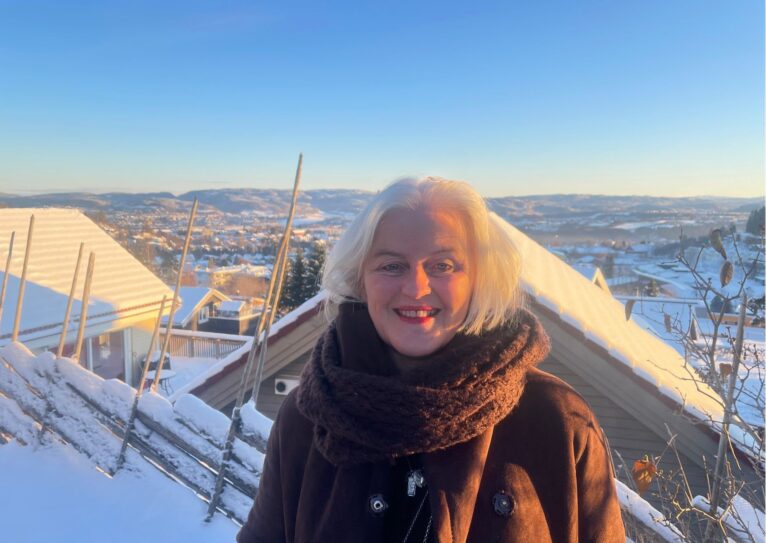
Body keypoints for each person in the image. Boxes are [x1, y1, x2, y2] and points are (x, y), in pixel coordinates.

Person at [237, 177, 626, 542]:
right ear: (360, 280)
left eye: (443, 266)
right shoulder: (308, 418)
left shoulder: (555, 421)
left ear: (479, 280)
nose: (416, 288)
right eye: (392, 265)